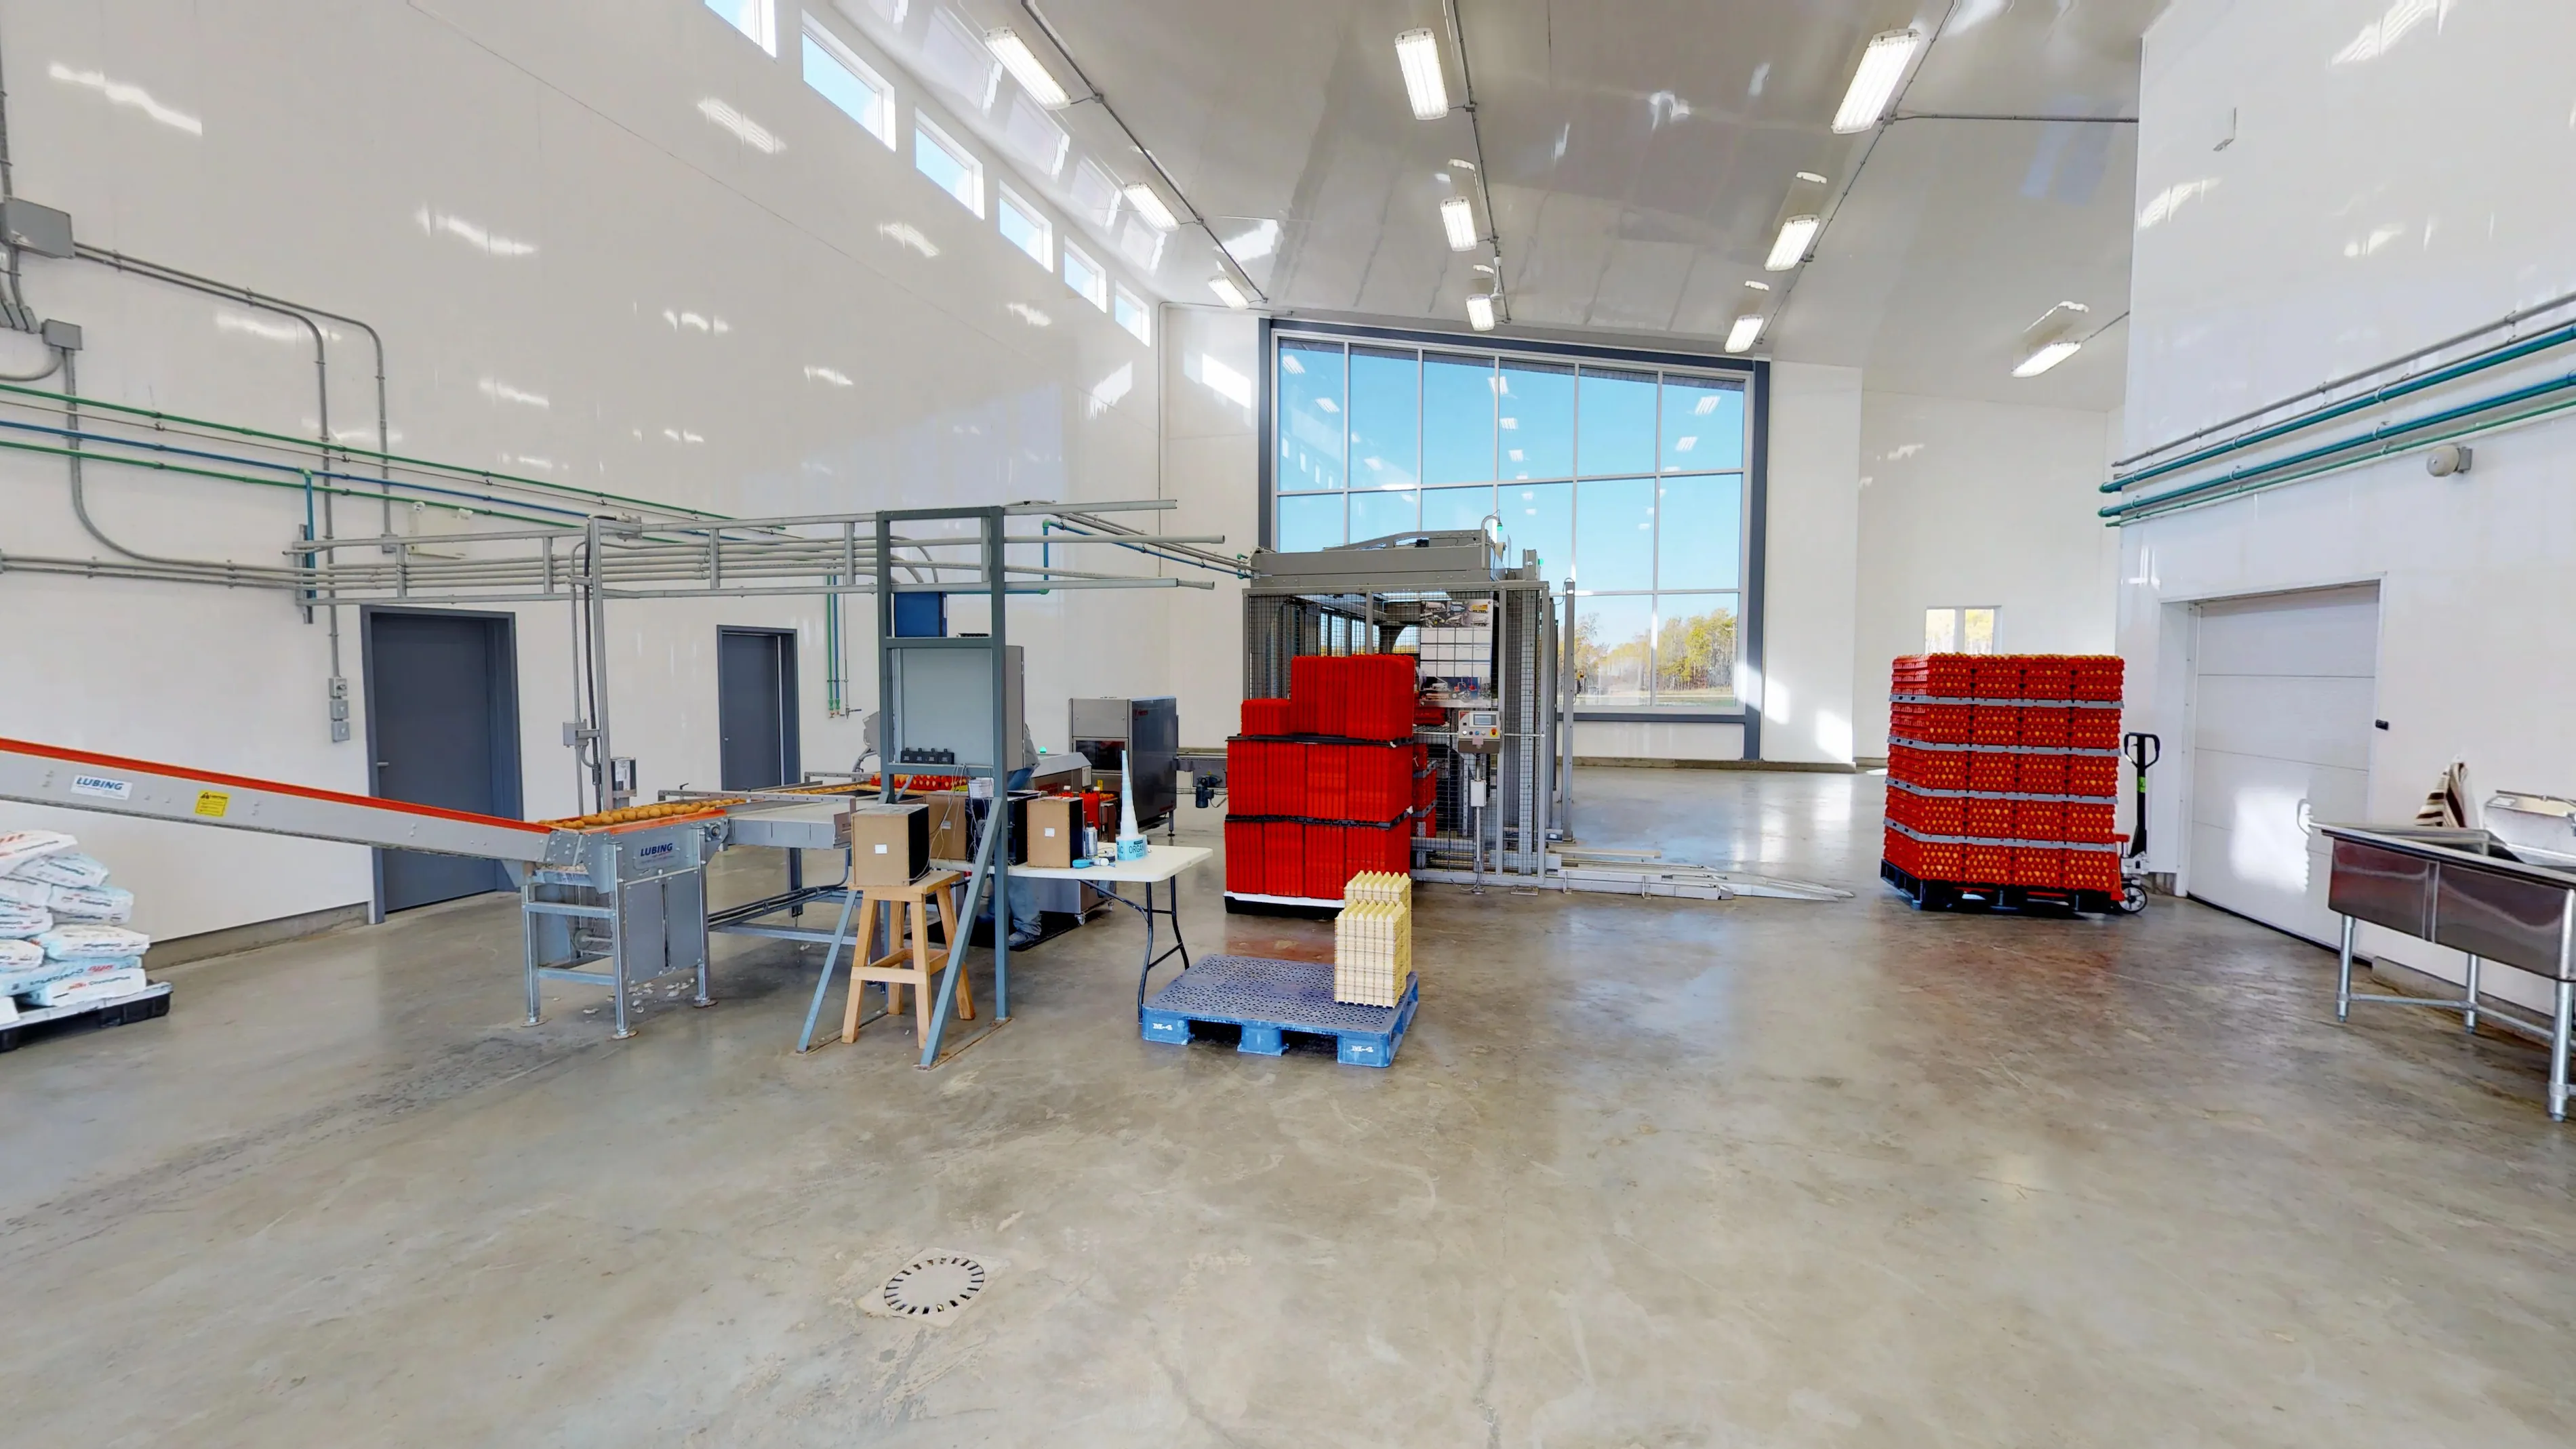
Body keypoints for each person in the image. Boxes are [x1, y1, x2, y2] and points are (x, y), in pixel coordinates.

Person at [977, 722, 1045, 950]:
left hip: (1015, 801)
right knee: (997, 857)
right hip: (993, 800)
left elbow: (1028, 765)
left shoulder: (1011, 720)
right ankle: (998, 912)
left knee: (1013, 863)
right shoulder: (978, 719)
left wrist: (1002, 795)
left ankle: (1029, 926)